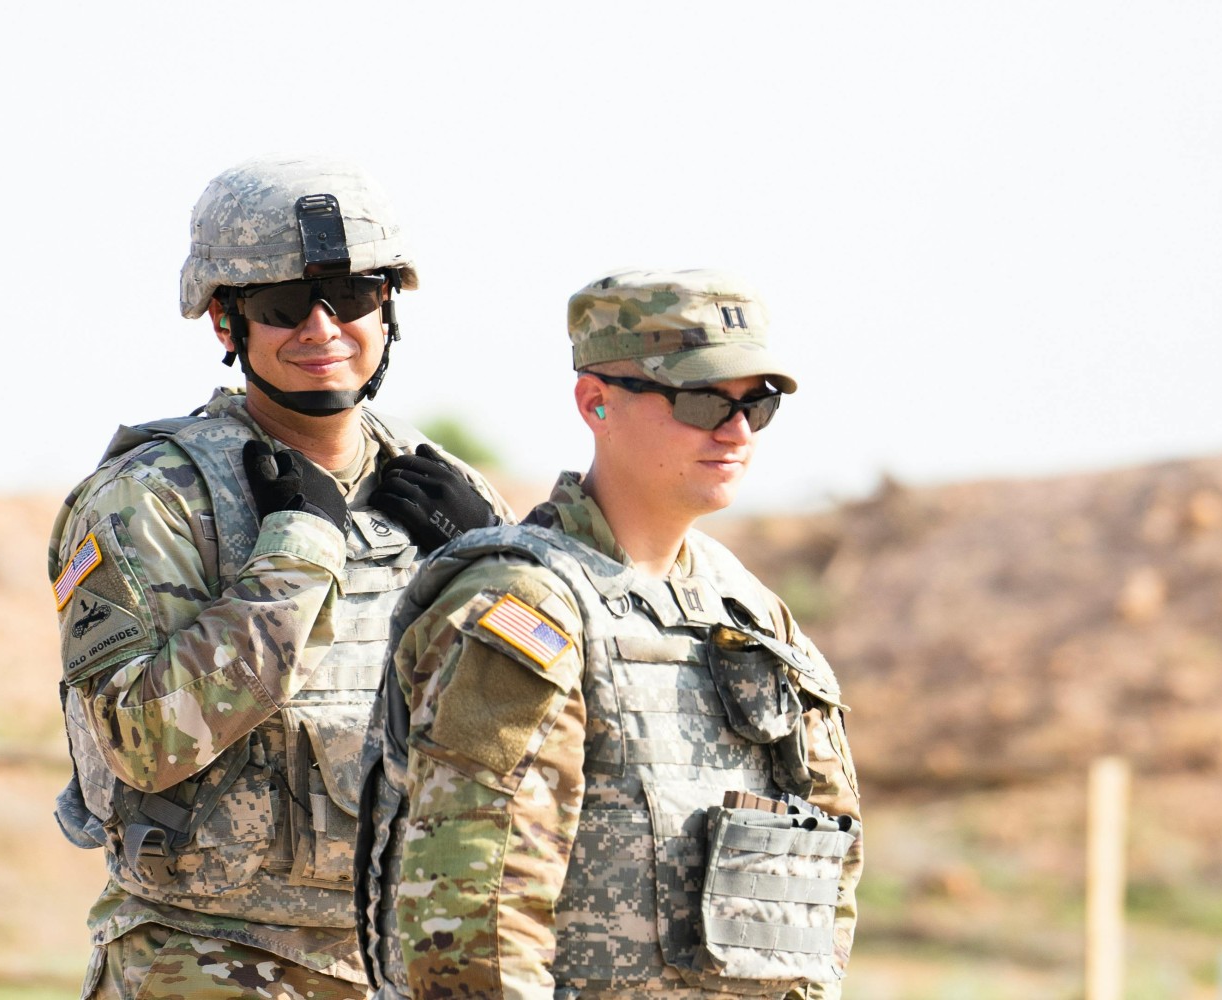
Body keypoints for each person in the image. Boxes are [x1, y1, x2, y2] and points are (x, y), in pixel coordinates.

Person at [49, 153, 512, 1000]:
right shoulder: (150, 499)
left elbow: (543, 733)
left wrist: (503, 571)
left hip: (406, 961)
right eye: (282, 306)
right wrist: (297, 554)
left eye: (355, 298)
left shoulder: (446, 490)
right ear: (228, 325)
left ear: (390, 308)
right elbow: (145, 743)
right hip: (208, 963)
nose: (322, 330)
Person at [356, 268, 863, 999]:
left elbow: (820, 888)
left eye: (758, 403)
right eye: (700, 399)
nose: (736, 429)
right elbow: (477, 912)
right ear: (596, 402)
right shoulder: (525, 603)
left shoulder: (750, 614)